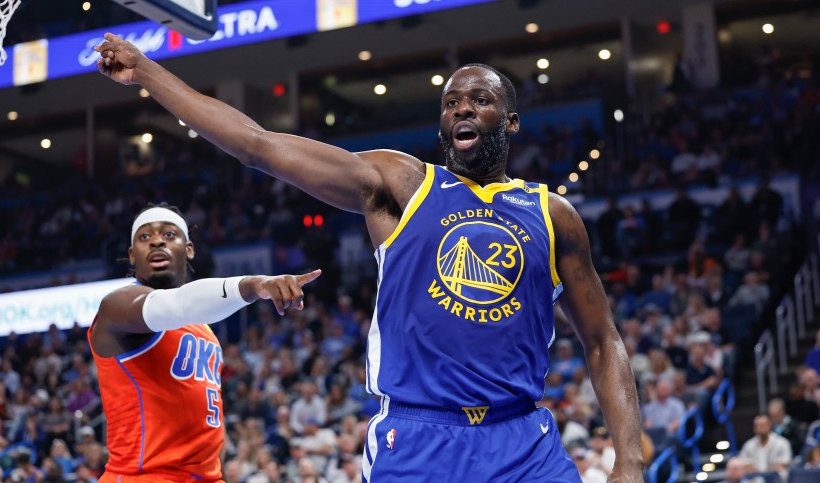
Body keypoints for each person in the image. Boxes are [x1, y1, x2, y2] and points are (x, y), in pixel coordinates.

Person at [95, 36, 643, 482]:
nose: (462, 109)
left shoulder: (552, 214)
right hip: (419, 441)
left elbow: (602, 340)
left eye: (479, 99)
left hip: (523, 442)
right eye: (451, 102)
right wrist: (145, 71)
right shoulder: (402, 184)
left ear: (511, 120)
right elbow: (257, 145)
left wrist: (629, 461)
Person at [89, 203, 320, 482]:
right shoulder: (118, 307)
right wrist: (255, 285)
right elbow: (177, 304)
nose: (157, 241)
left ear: (189, 249)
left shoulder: (205, 330)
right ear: (131, 256)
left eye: (169, 234)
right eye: (145, 237)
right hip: (144, 475)